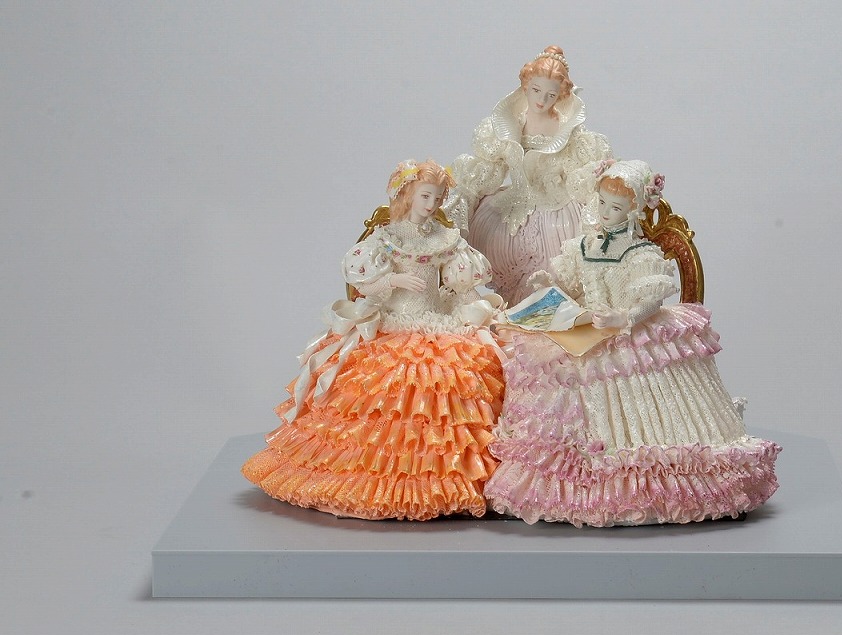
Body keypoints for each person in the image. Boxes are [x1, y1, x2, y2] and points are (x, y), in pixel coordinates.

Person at [484, 160, 781, 527]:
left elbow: (652, 299)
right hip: (591, 325)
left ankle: (645, 483)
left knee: (626, 377)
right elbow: (572, 284)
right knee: (549, 363)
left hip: (630, 330)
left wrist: (624, 318)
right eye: (602, 203)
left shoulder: (640, 253)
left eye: (616, 207)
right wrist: (551, 285)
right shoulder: (584, 245)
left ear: (633, 210)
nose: (606, 213)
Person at [242, 160, 505, 521]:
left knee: (459, 377)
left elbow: (461, 287)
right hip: (396, 320)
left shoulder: (445, 239)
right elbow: (366, 286)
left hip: (436, 319)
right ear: (407, 195)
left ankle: (460, 477)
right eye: (425, 196)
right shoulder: (387, 237)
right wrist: (394, 281)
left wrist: (478, 310)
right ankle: (385, 480)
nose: (431, 205)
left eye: (437, 197)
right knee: (389, 387)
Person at [445, 46, 613, 305]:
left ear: (561, 95)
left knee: (557, 255)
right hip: (513, 205)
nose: (541, 100)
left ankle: (545, 312)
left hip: (555, 208)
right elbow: (491, 169)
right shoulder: (509, 123)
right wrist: (468, 193)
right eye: (536, 90)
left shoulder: (567, 130)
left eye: (550, 95)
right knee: (498, 244)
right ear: (525, 85)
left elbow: (576, 176)